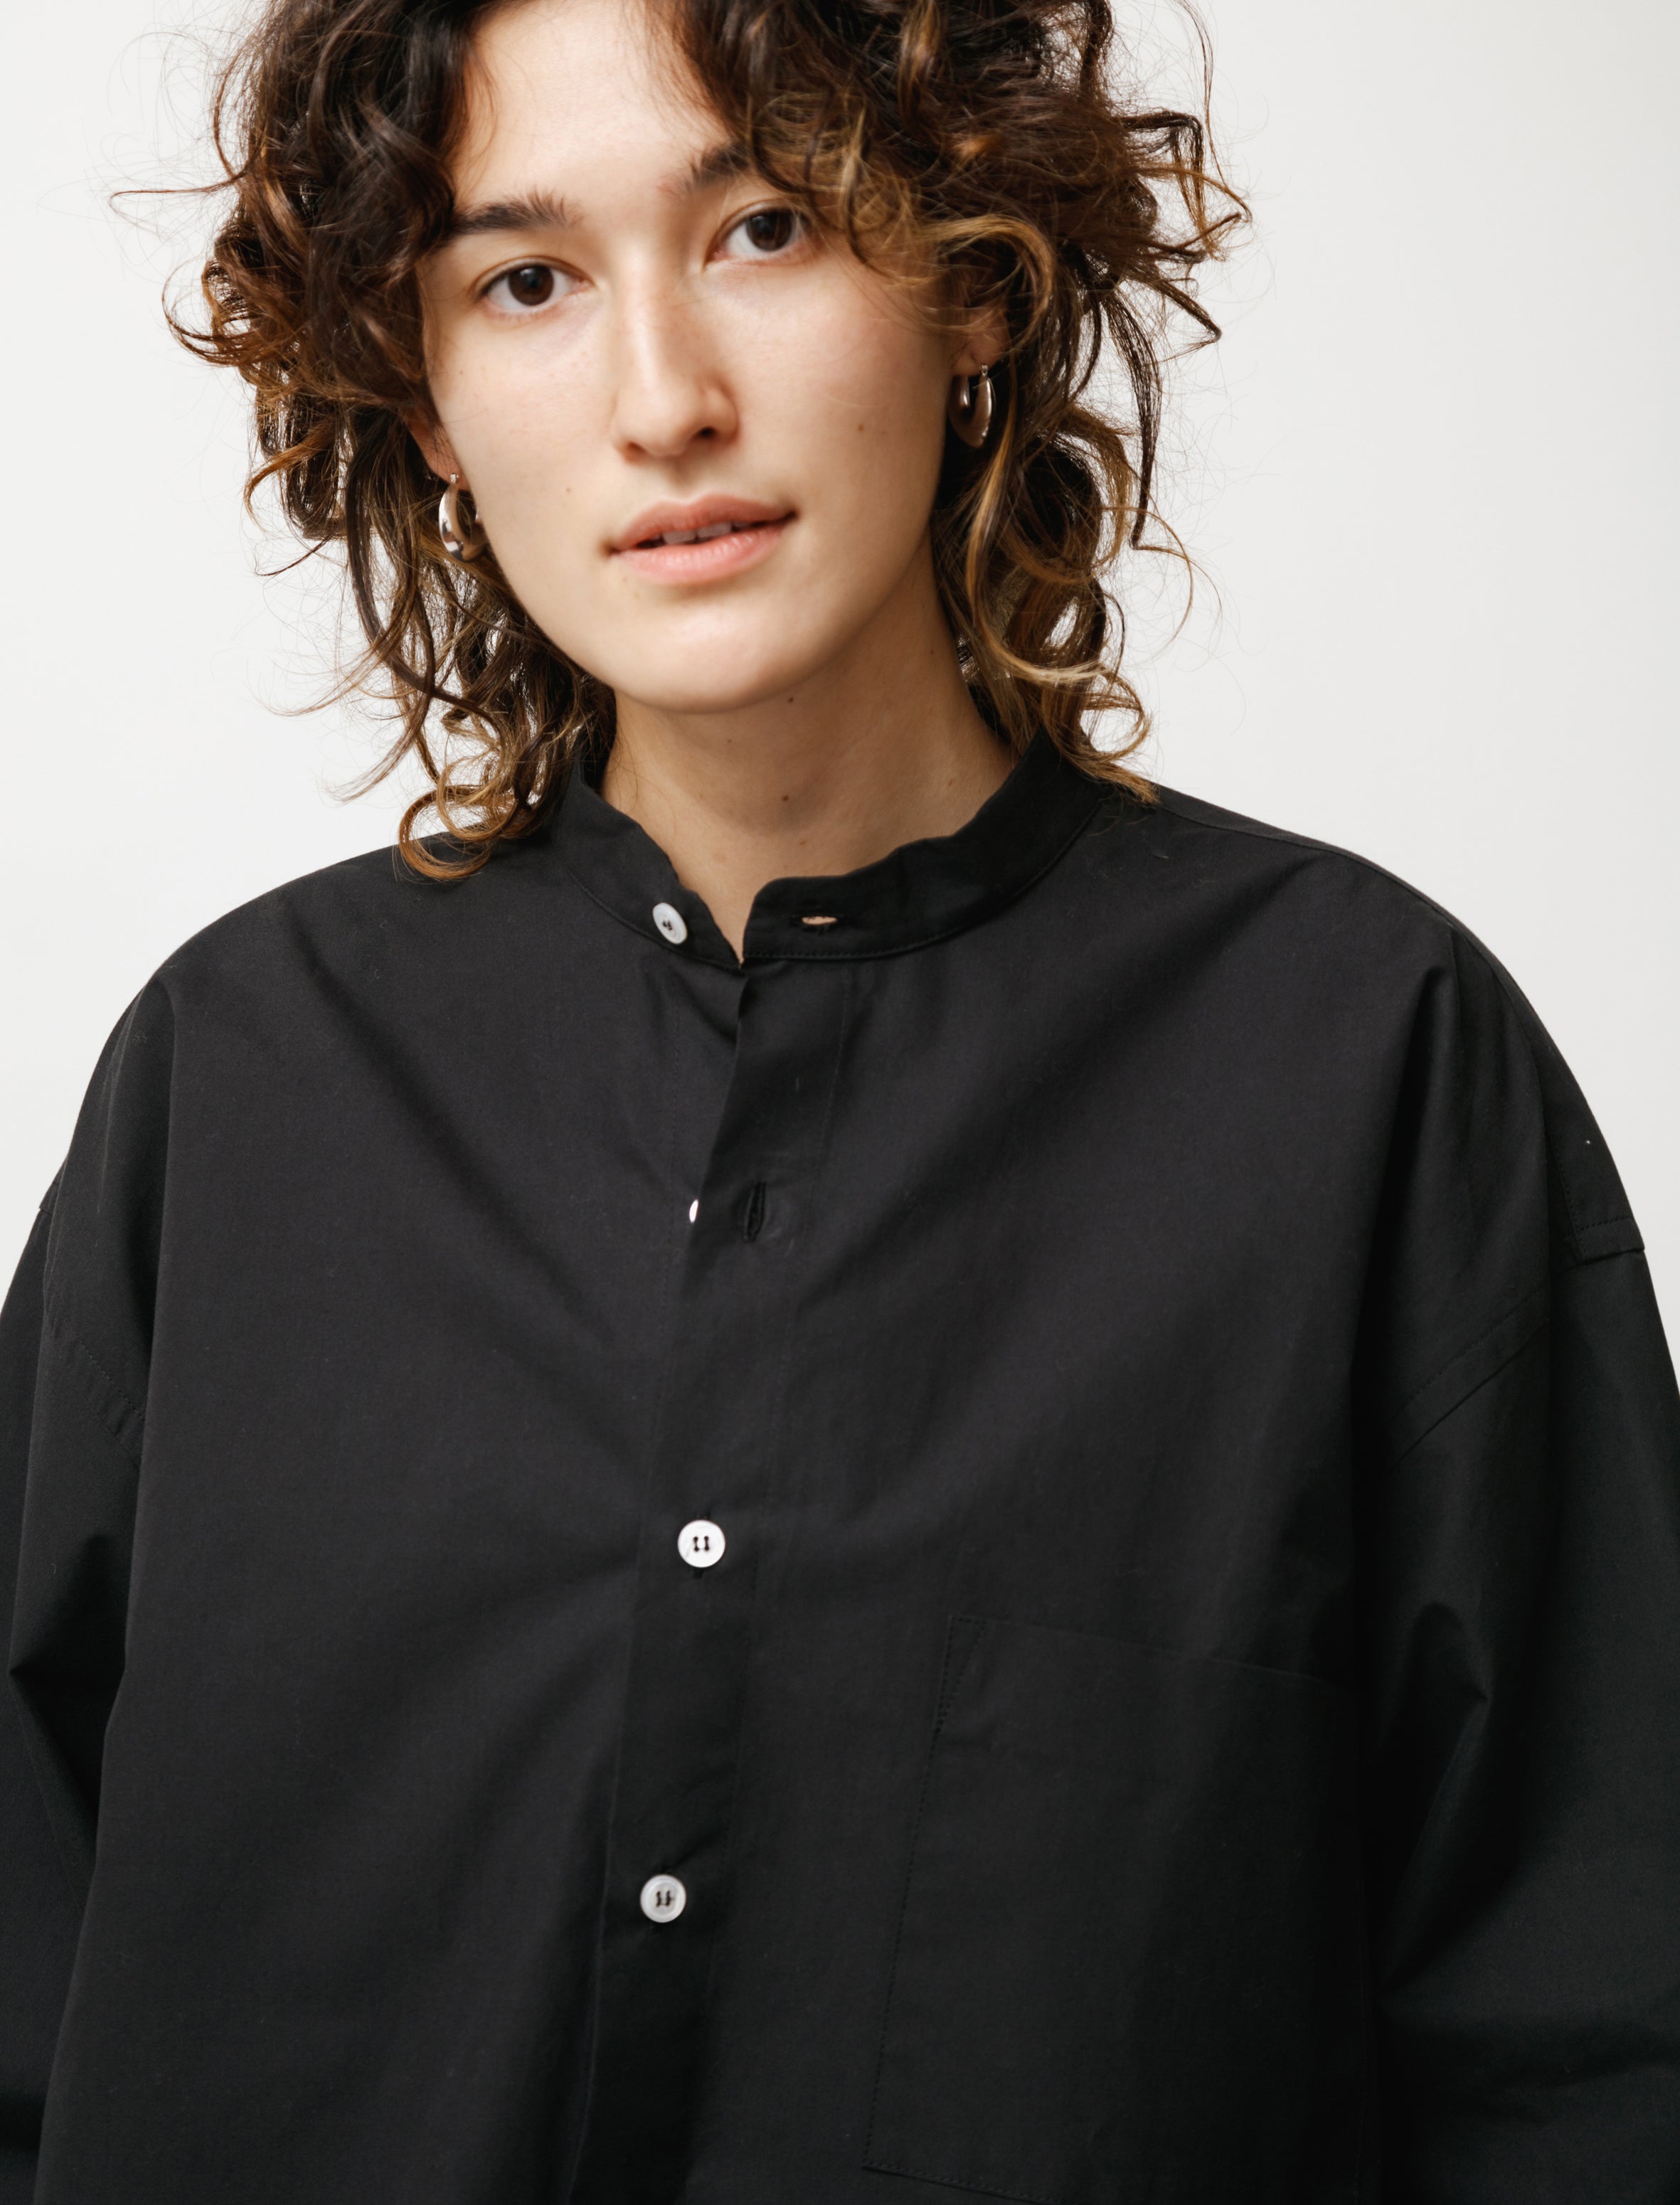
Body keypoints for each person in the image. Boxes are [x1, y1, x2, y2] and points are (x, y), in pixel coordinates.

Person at [3, 0, 1677, 2197]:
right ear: (424, 398)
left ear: (974, 277)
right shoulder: (236, 1084)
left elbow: (1586, 2055)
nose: (662, 398)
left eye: (767, 227)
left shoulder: (1369, 1066)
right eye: (527, 279)